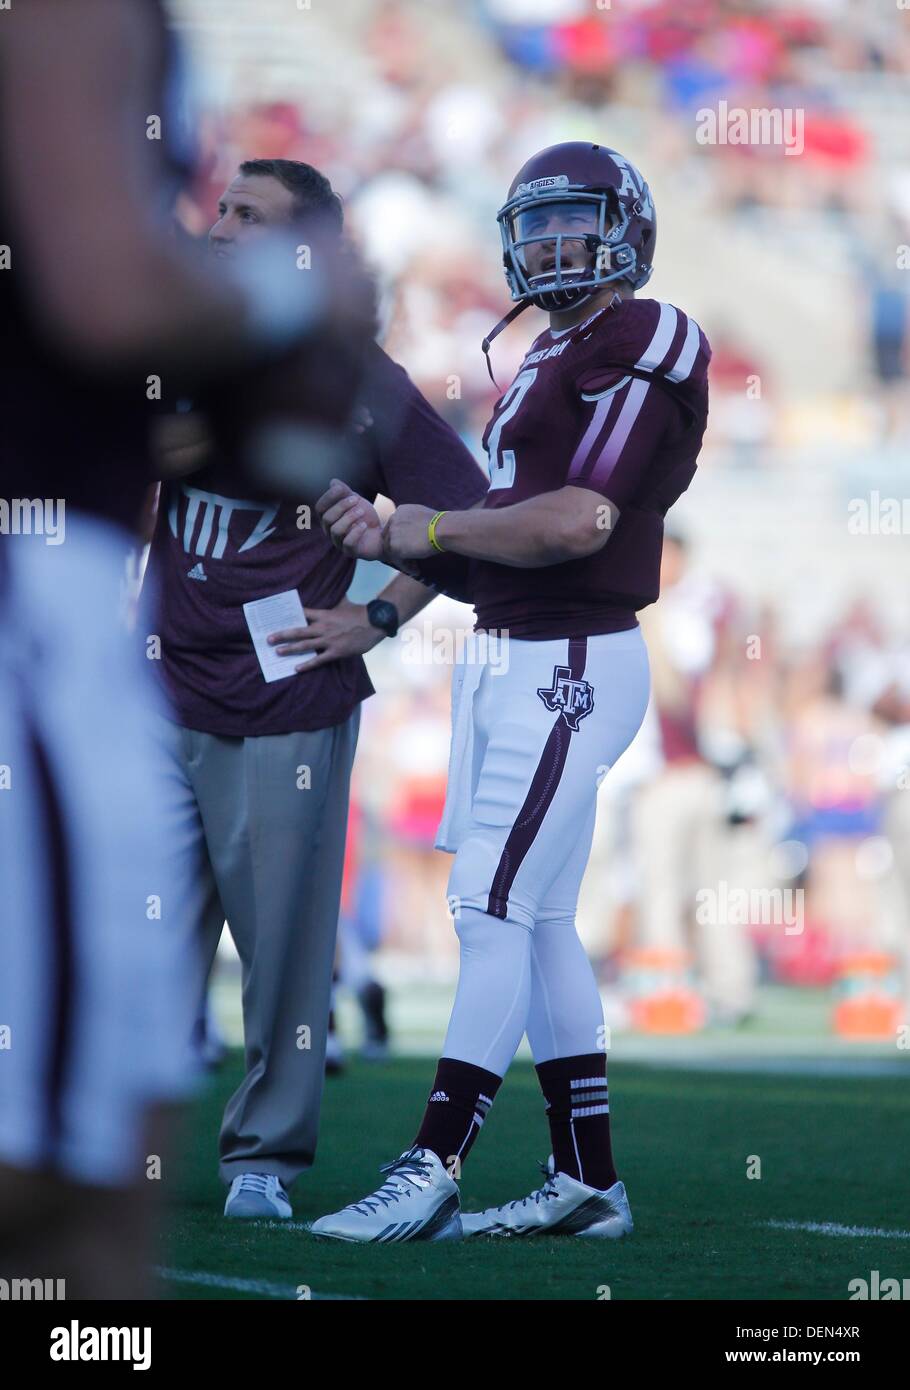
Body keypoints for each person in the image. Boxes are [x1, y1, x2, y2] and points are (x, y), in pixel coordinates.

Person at [0, 1, 370, 1297]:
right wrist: (295, 295)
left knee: (99, 1175)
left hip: (156, 661)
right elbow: (108, 288)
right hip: (40, 605)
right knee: (73, 1187)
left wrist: (374, 603)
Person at [312, 141, 711, 1241]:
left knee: (487, 906)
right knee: (535, 924)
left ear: (625, 225)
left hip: (572, 656)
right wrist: (381, 603)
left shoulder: (645, 331)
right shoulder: (545, 355)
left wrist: (423, 524)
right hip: (509, 655)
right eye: (528, 226)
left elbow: (576, 519)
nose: (543, 245)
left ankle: (433, 1165)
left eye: (569, 220)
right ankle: (588, 1180)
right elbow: (488, 522)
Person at [145, 158, 489, 1220]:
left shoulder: (354, 377)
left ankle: (263, 1158)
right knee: (133, 938)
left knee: (285, 952)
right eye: (223, 209)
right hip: (155, 687)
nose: (221, 227)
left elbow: (464, 513)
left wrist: (377, 614)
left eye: (252, 217)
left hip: (285, 693)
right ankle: (114, 1152)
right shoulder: (174, 340)